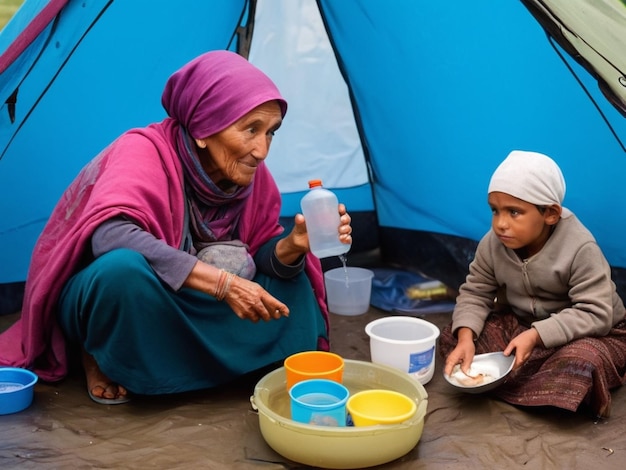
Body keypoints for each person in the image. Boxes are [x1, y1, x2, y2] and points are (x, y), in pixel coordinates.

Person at [0, 50, 352, 404]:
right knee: (121, 270)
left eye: (271, 133)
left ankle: (193, 363)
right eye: (250, 130)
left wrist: (293, 245)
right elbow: (110, 235)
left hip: (191, 301)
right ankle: (101, 352)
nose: (262, 151)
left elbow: (260, 257)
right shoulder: (143, 151)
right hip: (135, 295)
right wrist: (224, 285)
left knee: (292, 280)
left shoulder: (252, 178)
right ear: (203, 130)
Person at [441, 150, 626, 419]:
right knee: (453, 336)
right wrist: (466, 337)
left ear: (550, 214)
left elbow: (596, 314)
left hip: (592, 332)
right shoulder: (492, 244)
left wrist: (537, 336)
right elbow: (475, 292)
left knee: (583, 362)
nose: (501, 224)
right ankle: (537, 388)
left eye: (514, 212)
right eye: (495, 210)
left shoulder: (580, 248)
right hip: (522, 324)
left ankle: (523, 382)